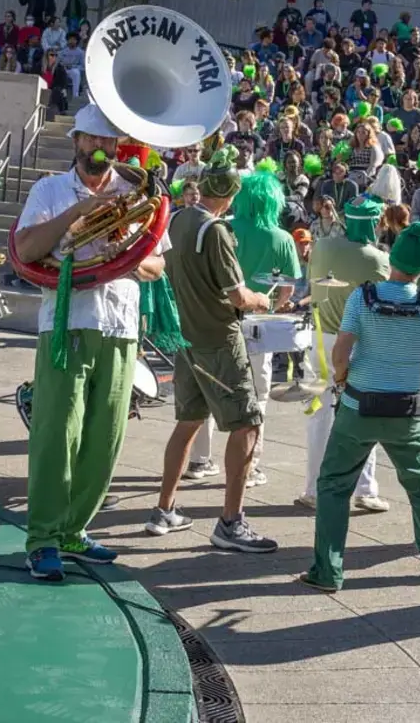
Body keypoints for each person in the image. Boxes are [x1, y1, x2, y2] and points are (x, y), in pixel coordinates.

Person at [12, 105, 168, 581]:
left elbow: (157, 266)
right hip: (68, 321)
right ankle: (42, 537)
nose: (101, 150)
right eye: (92, 141)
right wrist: (78, 214)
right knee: (58, 432)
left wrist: (123, 251)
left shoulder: (134, 193)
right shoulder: (50, 189)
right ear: (76, 140)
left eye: (109, 143)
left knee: (106, 437)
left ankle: (74, 529)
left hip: (120, 325)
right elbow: (27, 249)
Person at [299, 222, 420, 592]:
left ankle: (328, 571)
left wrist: (343, 377)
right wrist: (416, 380)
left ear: (392, 259)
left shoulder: (362, 297)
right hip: (407, 410)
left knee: (334, 485)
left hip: (359, 405)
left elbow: (340, 351)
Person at [146, 153, 281, 551]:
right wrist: (261, 300)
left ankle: (164, 509)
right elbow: (237, 294)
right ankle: (231, 523)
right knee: (247, 425)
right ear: (231, 194)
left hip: (186, 339)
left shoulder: (178, 219)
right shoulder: (215, 230)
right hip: (219, 341)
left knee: (188, 421)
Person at [297, 196, 392, 511]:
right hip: (355, 342)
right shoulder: (378, 259)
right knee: (364, 414)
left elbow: (336, 252)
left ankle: (312, 488)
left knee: (318, 415)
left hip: (319, 336)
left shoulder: (322, 246)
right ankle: (364, 488)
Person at [230, 167, 302, 488]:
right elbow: (287, 290)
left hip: (221, 317)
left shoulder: (225, 229)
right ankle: (250, 465)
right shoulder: (282, 238)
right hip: (260, 322)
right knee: (258, 394)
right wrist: (276, 303)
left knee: (209, 390)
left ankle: (200, 459)